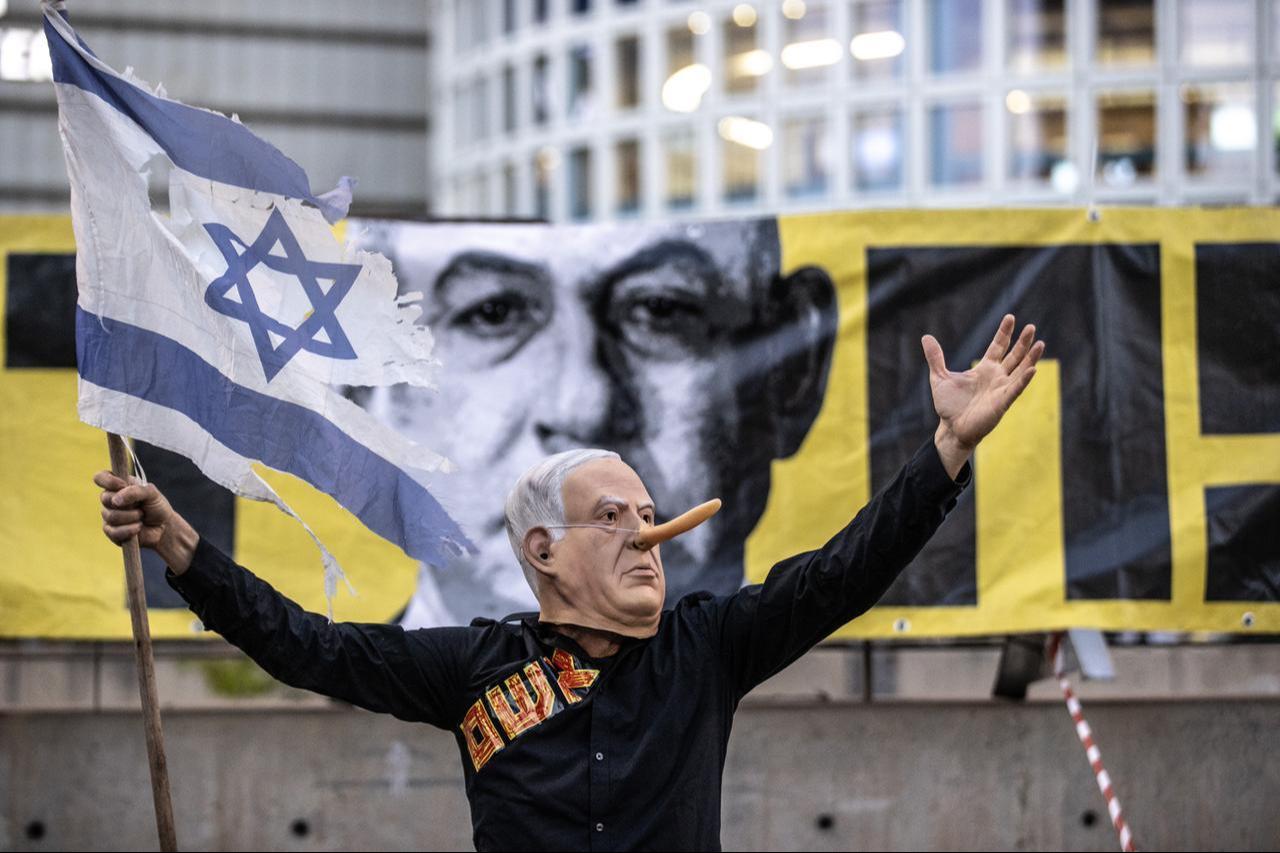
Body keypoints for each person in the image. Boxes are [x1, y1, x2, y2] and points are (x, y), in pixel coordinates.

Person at [96, 315, 1044, 851]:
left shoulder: (707, 647)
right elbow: (309, 645)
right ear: (542, 550)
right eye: (612, 517)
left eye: (648, 514)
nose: (647, 533)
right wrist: (183, 547)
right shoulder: (474, 666)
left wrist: (949, 448)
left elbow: (846, 571)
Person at [351, 217, 837, 626]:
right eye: (493, 313)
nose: (585, 406)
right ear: (359, 384)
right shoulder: (384, 681)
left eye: (660, 310)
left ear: (793, 370)